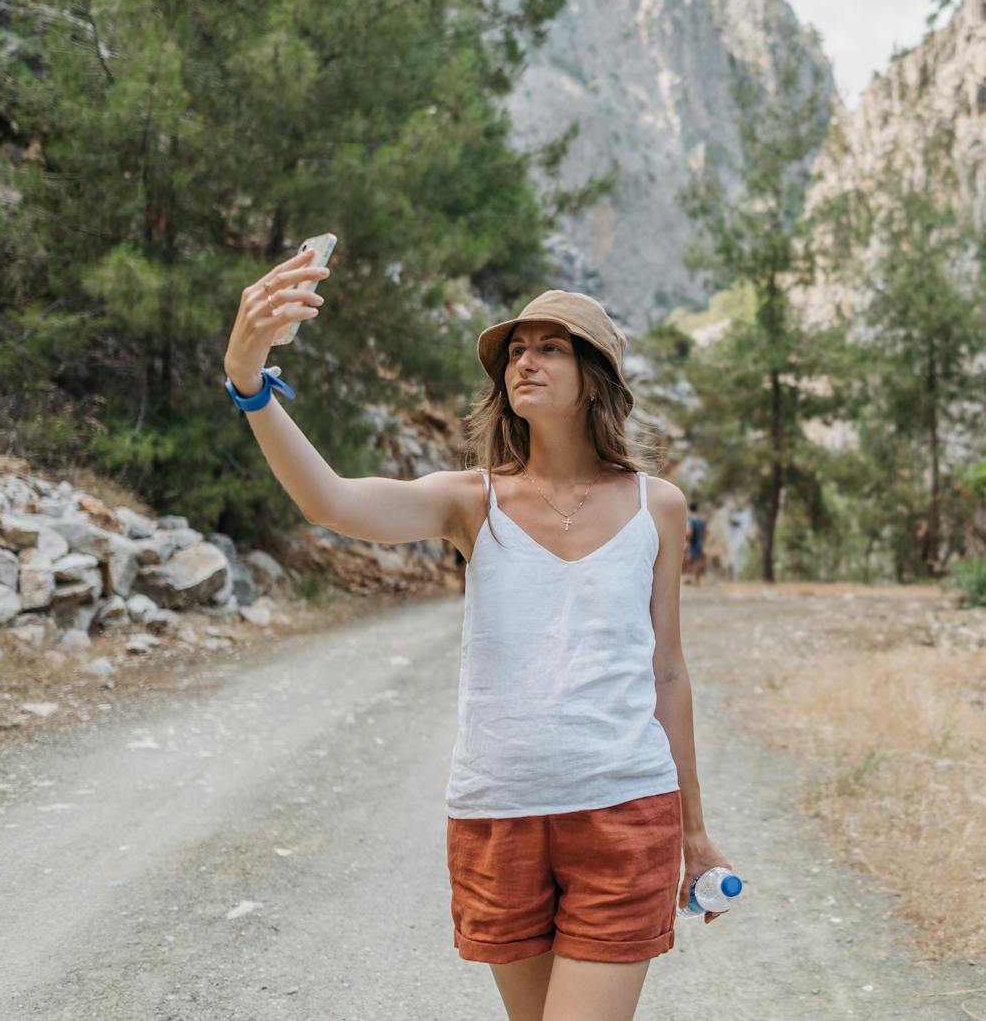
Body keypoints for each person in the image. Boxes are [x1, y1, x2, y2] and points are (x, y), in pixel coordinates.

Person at [221, 245, 735, 1021]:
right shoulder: (473, 500)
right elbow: (331, 502)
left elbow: (668, 674)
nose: (524, 360)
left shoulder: (657, 505)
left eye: (550, 347)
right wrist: (250, 383)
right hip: (499, 814)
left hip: (625, 811)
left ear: (595, 375)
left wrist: (695, 832)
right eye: (516, 351)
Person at [683, 504, 707, 585]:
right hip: (700, 542)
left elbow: (690, 532)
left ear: (691, 510)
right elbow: (705, 532)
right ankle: (697, 580)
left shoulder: (691, 520)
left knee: (692, 561)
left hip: (693, 543)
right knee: (697, 561)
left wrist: (687, 540)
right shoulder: (701, 520)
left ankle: (694, 580)